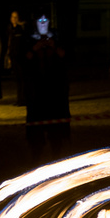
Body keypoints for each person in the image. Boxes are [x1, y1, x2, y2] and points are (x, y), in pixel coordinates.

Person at [23, 13, 71, 164]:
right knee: (36, 131)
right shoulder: (28, 38)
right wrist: (34, 49)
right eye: (40, 21)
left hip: (55, 91)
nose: (43, 23)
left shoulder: (56, 37)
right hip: (36, 92)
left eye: (45, 21)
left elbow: (66, 57)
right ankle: (36, 156)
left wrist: (54, 47)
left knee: (55, 131)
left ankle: (56, 154)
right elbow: (23, 60)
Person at [6, 11, 27, 106]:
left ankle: (23, 99)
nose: (14, 19)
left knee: (22, 79)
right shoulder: (11, 29)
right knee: (18, 79)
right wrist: (9, 56)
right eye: (12, 17)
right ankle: (19, 99)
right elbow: (10, 43)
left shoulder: (21, 29)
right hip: (14, 57)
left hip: (21, 57)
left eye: (16, 17)